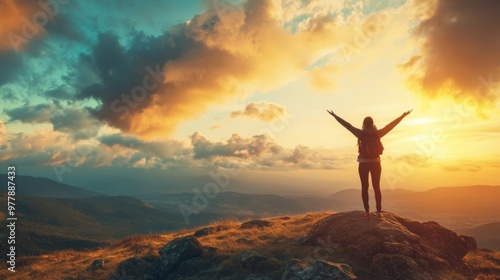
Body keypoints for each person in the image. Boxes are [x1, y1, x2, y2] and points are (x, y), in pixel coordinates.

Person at [327, 109, 412, 220]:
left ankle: (367, 213)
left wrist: (335, 116)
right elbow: (391, 125)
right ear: (372, 123)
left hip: (363, 164)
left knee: (364, 187)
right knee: (377, 187)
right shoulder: (378, 134)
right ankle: (378, 213)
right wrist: (402, 116)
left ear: (364, 124)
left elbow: (347, 125)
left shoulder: (360, 134)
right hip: (376, 163)